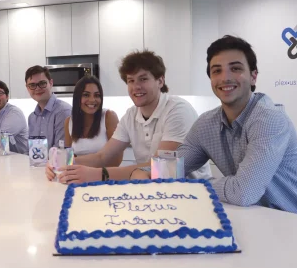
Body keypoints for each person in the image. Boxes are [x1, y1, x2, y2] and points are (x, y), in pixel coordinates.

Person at [133, 35, 297, 219]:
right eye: (216, 70)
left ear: (253, 76)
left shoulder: (269, 119)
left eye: (235, 68)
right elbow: (172, 167)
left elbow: (243, 192)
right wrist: (144, 172)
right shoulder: (206, 124)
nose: (225, 77)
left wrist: (185, 186)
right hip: (261, 218)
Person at [49, 50, 210, 183]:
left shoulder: (177, 110)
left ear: (160, 81)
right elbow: (102, 156)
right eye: (130, 80)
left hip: (190, 191)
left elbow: (160, 167)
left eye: (143, 79)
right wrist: (61, 162)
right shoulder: (130, 116)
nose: (136, 86)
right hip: (151, 191)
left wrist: (98, 174)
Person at [65, 75, 121, 160]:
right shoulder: (69, 122)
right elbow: (68, 158)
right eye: (86, 95)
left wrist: (89, 171)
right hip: (77, 172)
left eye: (97, 95)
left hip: (105, 172)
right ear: (77, 98)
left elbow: (116, 159)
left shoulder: (109, 117)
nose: (92, 100)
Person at [25, 65, 72, 148]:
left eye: (42, 83)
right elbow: (32, 150)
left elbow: (60, 151)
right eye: (32, 85)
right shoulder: (32, 118)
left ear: (51, 83)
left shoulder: (63, 112)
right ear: (27, 88)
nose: (37, 88)